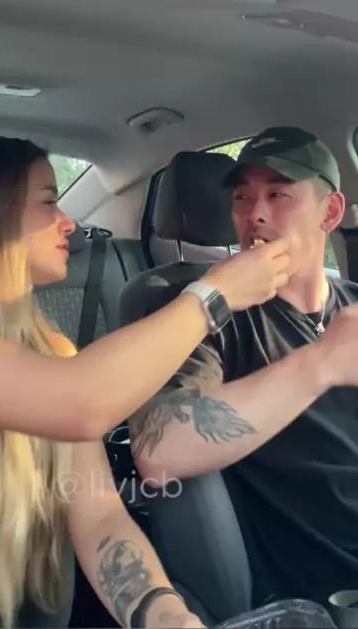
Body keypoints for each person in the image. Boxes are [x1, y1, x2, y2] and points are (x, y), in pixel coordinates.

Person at [0, 136, 291, 629]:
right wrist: (214, 296)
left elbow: (96, 512)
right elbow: (81, 401)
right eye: (48, 202)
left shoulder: (53, 351)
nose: (68, 222)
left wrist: (161, 611)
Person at [129, 126, 358, 613]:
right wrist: (320, 364)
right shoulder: (205, 317)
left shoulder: (354, 305)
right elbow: (157, 447)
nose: (254, 214)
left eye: (278, 194)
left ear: (331, 212)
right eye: (242, 197)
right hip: (329, 586)